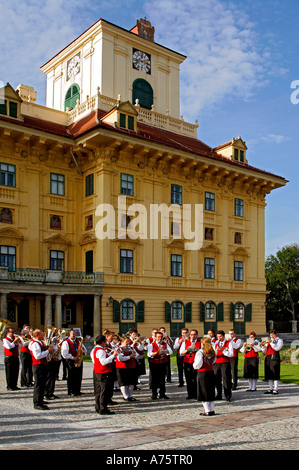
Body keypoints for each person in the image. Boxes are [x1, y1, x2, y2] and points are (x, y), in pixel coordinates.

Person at [91, 335, 119, 415]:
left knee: (98, 391)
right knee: (104, 391)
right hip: (103, 372)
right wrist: (113, 355)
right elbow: (103, 362)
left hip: (97, 372)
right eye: (105, 342)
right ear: (103, 342)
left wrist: (110, 354)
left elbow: (95, 360)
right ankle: (103, 408)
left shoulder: (95, 350)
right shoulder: (100, 350)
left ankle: (98, 407)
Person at [28, 329, 54, 410]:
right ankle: (37, 403)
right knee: (39, 384)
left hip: (42, 365)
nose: (43, 335)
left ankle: (40, 399)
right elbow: (38, 356)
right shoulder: (35, 344)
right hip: (38, 365)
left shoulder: (39, 342)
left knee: (42, 384)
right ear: (37, 335)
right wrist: (47, 351)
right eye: (42, 334)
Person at [193, 336, 216, 416]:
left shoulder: (200, 352)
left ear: (202, 344)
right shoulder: (213, 352)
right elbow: (213, 361)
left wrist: (194, 365)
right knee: (210, 390)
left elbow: (197, 364)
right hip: (211, 372)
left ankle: (207, 410)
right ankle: (212, 410)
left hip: (202, 373)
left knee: (203, 391)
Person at [61, 329, 87, 396]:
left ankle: (77, 390)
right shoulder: (66, 342)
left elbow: (85, 350)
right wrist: (73, 357)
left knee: (79, 376)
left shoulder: (77, 341)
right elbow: (64, 354)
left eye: (75, 334)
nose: (75, 335)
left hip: (78, 359)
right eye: (73, 334)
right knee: (71, 376)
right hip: (71, 360)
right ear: (69, 334)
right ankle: (71, 391)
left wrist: (83, 350)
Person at [147, 331, 172, 400]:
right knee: (154, 379)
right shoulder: (151, 345)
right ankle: (154, 394)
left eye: (161, 337)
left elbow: (171, 352)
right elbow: (149, 354)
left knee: (162, 379)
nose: (160, 338)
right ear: (155, 337)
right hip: (154, 363)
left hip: (163, 363)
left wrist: (165, 350)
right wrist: (157, 352)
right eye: (158, 337)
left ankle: (162, 393)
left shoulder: (165, 343)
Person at [115, 336, 138, 401]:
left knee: (131, 382)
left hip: (131, 366)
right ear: (122, 342)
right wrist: (129, 357)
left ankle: (130, 396)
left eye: (128, 341)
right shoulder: (119, 349)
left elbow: (137, 355)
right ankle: (125, 396)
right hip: (122, 367)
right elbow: (120, 358)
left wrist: (134, 353)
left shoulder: (130, 347)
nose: (128, 343)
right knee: (123, 382)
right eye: (126, 341)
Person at [179, 329, 201, 399]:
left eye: (194, 334)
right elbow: (181, 353)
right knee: (188, 379)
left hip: (196, 362)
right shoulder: (185, 342)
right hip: (187, 362)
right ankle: (190, 394)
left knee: (196, 379)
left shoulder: (200, 342)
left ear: (197, 335)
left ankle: (197, 394)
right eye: (191, 335)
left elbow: (203, 352)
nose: (193, 336)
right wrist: (188, 349)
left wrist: (196, 348)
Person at [213, 330, 233, 402]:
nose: (219, 338)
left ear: (224, 336)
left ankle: (228, 395)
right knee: (217, 379)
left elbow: (231, 354)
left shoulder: (228, 343)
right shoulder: (215, 343)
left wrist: (222, 350)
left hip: (225, 363)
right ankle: (219, 394)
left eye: (220, 336)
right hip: (217, 363)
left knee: (226, 379)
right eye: (218, 336)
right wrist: (214, 352)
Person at [262, 330, 284, 395]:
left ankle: (276, 389)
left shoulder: (279, 340)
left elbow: (277, 348)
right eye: (271, 335)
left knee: (275, 372)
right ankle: (270, 388)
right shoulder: (269, 341)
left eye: (273, 335)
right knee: (269, 373)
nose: (272, 336)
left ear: (276, 334)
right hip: (268, 357)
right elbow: (264, 351)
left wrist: (271, 342)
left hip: (275, 357)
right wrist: (263, 346)